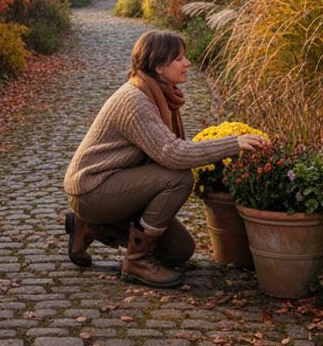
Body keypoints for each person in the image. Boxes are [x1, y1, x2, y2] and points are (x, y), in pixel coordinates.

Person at [62, 30, 270, 288]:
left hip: (116, 182)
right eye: (179, 58)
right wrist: (233, 143)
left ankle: (89, 227)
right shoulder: (136, 101)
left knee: (179, 251)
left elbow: (168, 148)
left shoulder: (157, 93)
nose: (187, 63)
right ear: (158, 66)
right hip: (92, 189)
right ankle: (136, 262)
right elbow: (173, 154)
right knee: (178, 178)